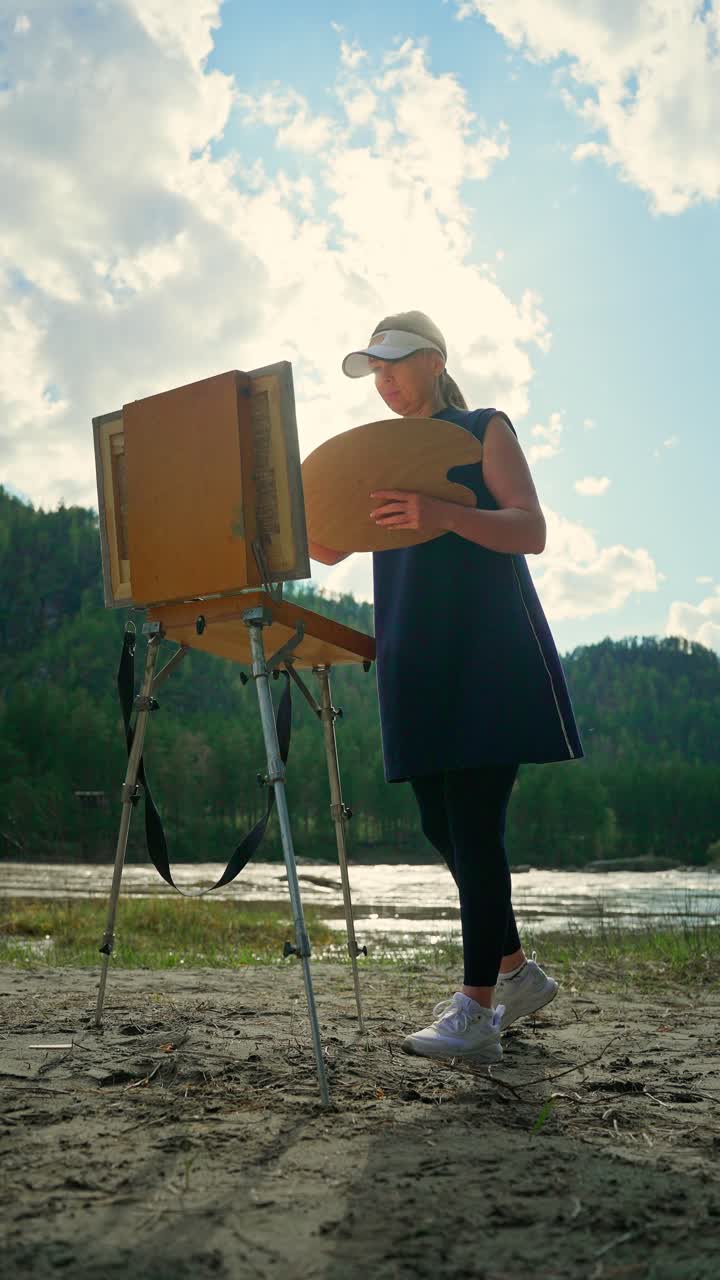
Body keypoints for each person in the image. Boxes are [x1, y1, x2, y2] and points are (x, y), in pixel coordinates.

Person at [308, 310, 584, 1065]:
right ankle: (516, 973)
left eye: (395, 363)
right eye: (374, 370)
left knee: (475, 819)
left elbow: (529, 529)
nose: (385, 380)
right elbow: (327, 545)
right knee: (439, 819)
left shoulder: (483, 428)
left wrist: (442, 513)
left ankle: (477, 1012)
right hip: (413, 652)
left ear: (434, 359)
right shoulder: (373, 457)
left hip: (488, 650)